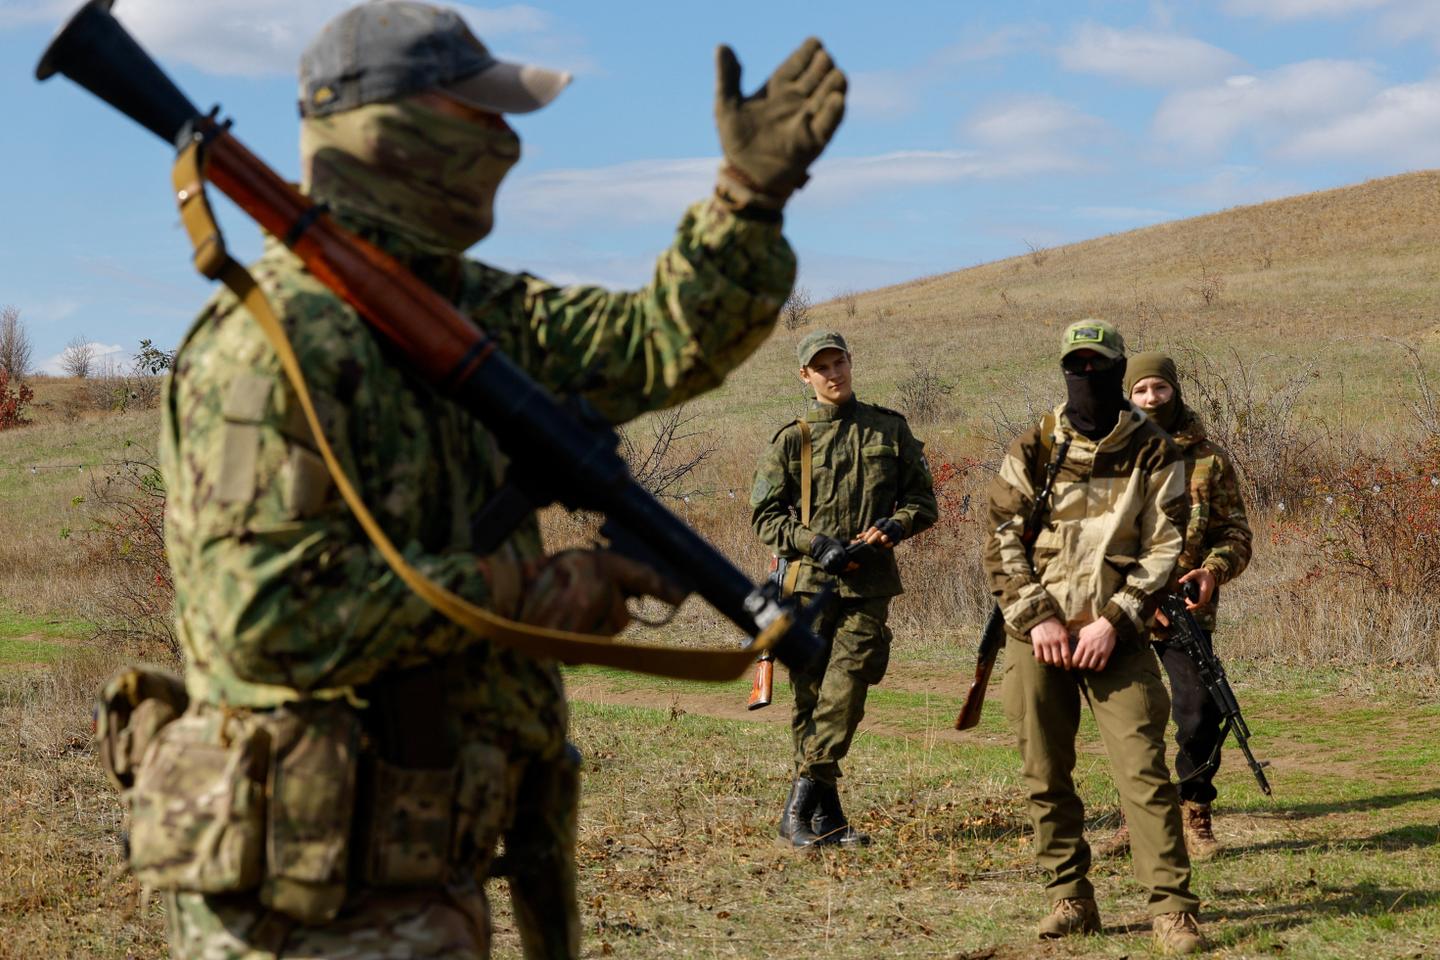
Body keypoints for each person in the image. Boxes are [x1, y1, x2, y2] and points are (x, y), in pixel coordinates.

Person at [150, 3, 847, 957]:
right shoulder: (269, 350)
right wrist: (543, 590)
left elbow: (657, 344)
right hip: (303, 900)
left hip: (435, 858)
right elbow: (266, 621)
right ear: (392, 128)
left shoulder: (472, 309)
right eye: (478, 114)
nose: (508, 141)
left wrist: (747, 198)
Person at [981, 320, 1205, 954]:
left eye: (1098, 366)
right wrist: (1038, 617)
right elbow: (1001, 540)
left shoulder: (1156, 450)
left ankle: (1171, 908)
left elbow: (1166, 548)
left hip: (1120, 635)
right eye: (1075, 366)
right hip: (1039, 633)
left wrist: (1115, 620)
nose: (1087, 377)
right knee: (1045, 769)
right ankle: (1070, 896)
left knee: (1144, 770)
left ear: (1118, 368)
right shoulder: (1034, 446)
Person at [750, 330, 937, 849]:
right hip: (807, 588)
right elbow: (764, 516)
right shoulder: (795, 438)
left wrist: (894, 528)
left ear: (851, 364)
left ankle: (797, 805)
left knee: (846, 692)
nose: (834, 374)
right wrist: (814, 543)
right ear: (805, 376)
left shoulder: (889, 428)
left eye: (840, 362)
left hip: (869, 586)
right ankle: (825, 820)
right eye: (822, 367)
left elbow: (922, 501)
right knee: (810, 700)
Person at [1108, 352, 1253, 859]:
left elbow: (1234, 533)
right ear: (1128, 394)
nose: (1152, 398)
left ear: (1175, 391)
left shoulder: (1210, 459)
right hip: (1120, 612)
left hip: (1186, 614)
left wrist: (1211, 573)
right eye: (1142, 390)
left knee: (1199, 713)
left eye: (1160, 389)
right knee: (1133, 720)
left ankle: (1195, 811)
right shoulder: (1111, 455)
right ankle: (1139, 818)